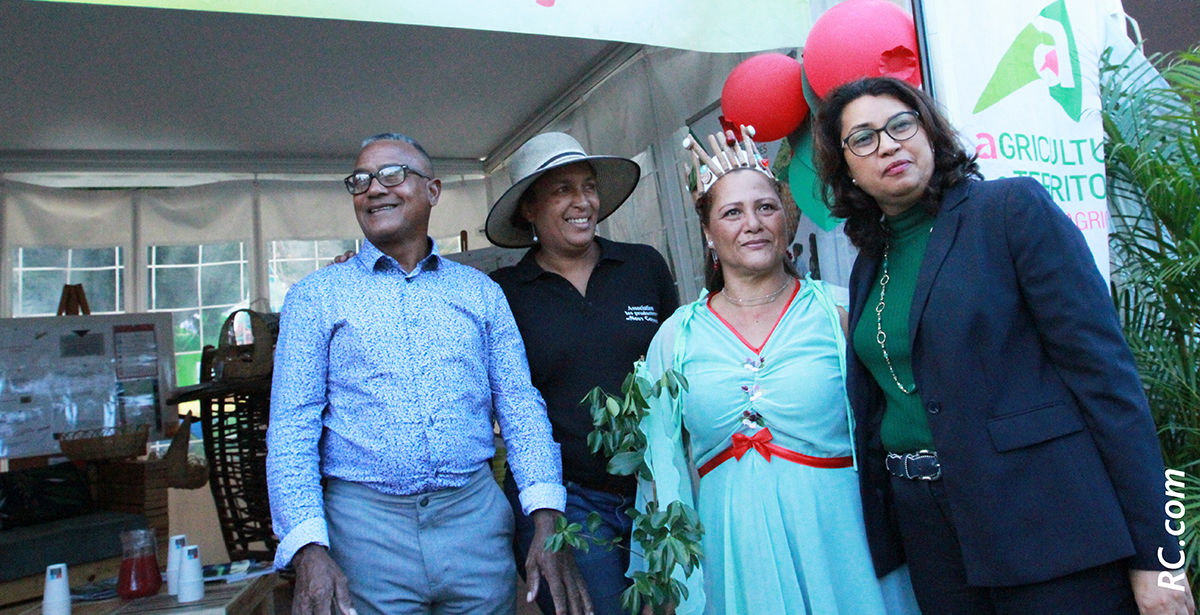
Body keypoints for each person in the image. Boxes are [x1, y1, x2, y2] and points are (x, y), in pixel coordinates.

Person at [812, 76, 1195, 615]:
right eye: (864, 138)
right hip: (933, 538)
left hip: (1046, 523)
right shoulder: (869, 264)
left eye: (901, 124)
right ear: (846, 167)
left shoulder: (1009, 210)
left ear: (929, 131)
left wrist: (1161, 555)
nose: (889, 144)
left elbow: (1108, 382)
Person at [266, 132, 592, 615]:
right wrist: (308, 548)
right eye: (360, 180)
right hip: (365, 533)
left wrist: (547, 518)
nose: (374, 188)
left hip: (475, 524)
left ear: (433, 191)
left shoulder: (480, 292)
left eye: (393, 175)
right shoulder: (315, 297)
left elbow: (520, 406)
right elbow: (291, 429)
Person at [633, 127, 920, 615]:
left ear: (785, 218)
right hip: (733, 551)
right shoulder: (674, 339)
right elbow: (661, 474)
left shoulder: (841, 314)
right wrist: (669, 583)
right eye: (732, 212)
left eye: (765, 207)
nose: (753, 223)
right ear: (708, 232)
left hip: (841, 541)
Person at [485, 132, 679, 615]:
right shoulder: (505, 292)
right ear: (529, 209)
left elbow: (682, 362)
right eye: (562, 189)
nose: (583, 202)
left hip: (658, 490)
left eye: (588, 186)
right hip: (566, 500)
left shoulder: (642, 266)